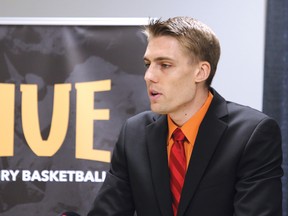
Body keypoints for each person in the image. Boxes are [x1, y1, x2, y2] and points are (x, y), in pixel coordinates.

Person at [87, 16, 283, 216]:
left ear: (201, 72)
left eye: (165, 65)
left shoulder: (252, 134)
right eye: (148, 64)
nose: (149, 76)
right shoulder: (134, 132)